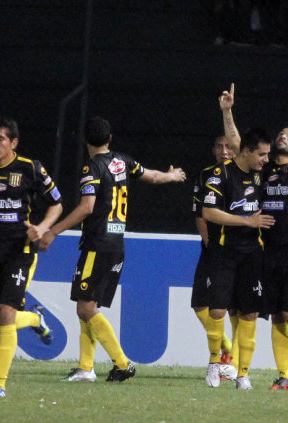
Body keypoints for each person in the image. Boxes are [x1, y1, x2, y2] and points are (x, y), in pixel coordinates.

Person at [39, 116, 186, 383]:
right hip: (116, 244)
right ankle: (86, 368)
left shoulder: (91, 167)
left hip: (98, 244)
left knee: (85, 308)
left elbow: (87, 207)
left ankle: (122, 363)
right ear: (110, 138)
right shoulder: (123, 160)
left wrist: (53, 231)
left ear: (86, 140)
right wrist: (171, 176)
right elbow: (151, 176)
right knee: (87, 307)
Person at [219, 69, 288, 390]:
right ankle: (283, 375)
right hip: (266, 250)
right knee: (277, 315)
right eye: (282, 133)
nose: (284, 135)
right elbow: (239, 144)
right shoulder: (264, 168)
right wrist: (227, 111)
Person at [0, 116, 63, 397]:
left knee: (7, 314)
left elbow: (57, 203)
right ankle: (35, 320)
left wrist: (42, 228)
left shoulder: (31, 169)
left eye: (0, 139)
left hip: (20, 253)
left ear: (14, 143)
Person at [201, 125, 275, 389]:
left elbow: (235, 138)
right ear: (246, 151)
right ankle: (213, 363)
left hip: (252, 254)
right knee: (218, 309)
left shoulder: (258, 174)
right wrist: (248, 221)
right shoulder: (220, 175)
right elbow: (209, 212)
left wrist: (227, 112)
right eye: (262, 155)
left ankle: (243, 374)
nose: (266, 160)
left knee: (250, 313)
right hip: (223, 252)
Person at [191, 135, 238, 380]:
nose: (224, 150)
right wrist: (209, 242)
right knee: (200, 303)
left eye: (229, 146)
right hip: (213, 248)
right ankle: (228, 351)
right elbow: (201, 213)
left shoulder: (245, 173)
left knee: (234, 308)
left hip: (239, 248)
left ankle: (232, 360)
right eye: (219, 146)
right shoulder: (205, 175)